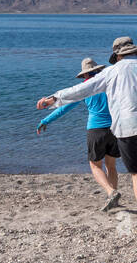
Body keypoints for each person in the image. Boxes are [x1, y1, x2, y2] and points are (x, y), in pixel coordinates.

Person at [38, 36, 137, 235]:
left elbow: (82, 90)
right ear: (135, 51)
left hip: (128, 127)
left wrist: (55, 98)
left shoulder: (112, 72)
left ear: (117, 55)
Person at [36, 57, 121, 212]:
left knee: (95, 166)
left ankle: (111, 192)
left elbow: (64, 108)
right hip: (115, 129)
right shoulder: (109, 85)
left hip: (96, 130)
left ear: (84, 76)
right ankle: (113, 197)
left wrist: (46, 120)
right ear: (98, 71)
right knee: (112, 166)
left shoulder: (85, 89)